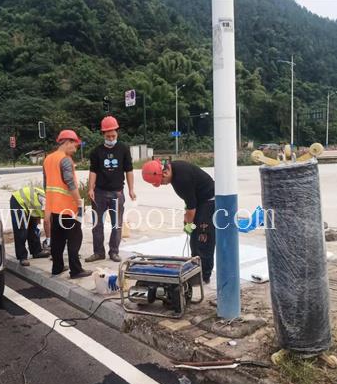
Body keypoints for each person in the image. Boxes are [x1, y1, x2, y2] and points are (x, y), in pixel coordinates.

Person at [142, 159, 215, 283]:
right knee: (195, 239)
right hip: (200, 200)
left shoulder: (181, 180)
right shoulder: (175, 168)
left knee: (203, 239)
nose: (163, 184)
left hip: (209, 200)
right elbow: (190, 200)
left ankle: (204, 276)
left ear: (164, 173)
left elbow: (191, 208)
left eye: (161, 182)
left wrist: (188, 223)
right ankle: (196, 270)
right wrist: (188, 220)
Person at [85, 116, 136, 263]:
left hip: (117, 193)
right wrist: (90, 188)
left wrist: (131, 189)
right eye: (108, 136)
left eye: (113, 135)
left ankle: (114, 251)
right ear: (103, 134)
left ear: (117, 133)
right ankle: (98, 252)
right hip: (99, 193)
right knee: (97, 224)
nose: (111, 138)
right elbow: (93, 171)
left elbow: (129, 170)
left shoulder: (123, 149)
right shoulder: (96, 152)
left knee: (117, 225)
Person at [43, 129, 92, 279]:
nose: (75, 149)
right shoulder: (65, 160)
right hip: (68, 207)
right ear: (67, 142)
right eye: (75, 145)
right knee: (75, 237)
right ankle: (76, 270)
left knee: (57, 238)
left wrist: (48, 209)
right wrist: (79, 203)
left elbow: (47, 185)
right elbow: (70, 183)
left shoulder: (48, 159)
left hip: (54, 208)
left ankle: (57, 267)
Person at [9, 185, 50, 266]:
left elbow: (39, 217)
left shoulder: (47, 202)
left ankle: (36, 251)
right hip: (18, 201)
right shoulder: (46, 202)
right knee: (21, 230)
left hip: (29, 205)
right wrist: (49, 239)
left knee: (33, 228)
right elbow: (46, 221)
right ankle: (22, 257)